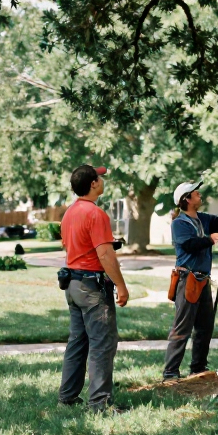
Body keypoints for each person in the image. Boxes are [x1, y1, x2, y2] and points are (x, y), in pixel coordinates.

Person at [57, 163, 130, 412]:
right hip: (92, 287)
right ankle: (100, 403)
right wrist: (121, 285)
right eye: (99, 177)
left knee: (78, 341)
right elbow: (105, 255)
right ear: (93, 184)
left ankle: (67, 396)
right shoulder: (96, 214)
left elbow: (75, 245)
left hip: (73, 285)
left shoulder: (70, 212)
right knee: (103, 343)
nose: (102, 180)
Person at [162, 179, 218, 380]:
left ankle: (198, 369)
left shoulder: (203, 218)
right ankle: (170, 373)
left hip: (202, 280)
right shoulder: (179, 223)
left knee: (205, 326)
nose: (199, 194)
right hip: (187, 280)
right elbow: (191, 245)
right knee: (182, 327)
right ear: (186, 199)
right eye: (196, 193)